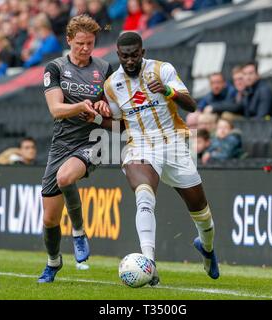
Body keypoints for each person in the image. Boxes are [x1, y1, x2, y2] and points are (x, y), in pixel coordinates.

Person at [100, 31, 219, 284]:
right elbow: (119, 125)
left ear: (142, 52)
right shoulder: (111, 85)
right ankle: (149, 264)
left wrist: (168, 91)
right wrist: (99, 118)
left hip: (174, 144)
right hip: (140, 146)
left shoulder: (162, 70)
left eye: (134, 55)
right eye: (124, 57)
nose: (129, 61)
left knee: (202, 213)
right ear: (118, 55)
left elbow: (192, 105)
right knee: (144, 195)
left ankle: (207, 249)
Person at [37, 15, 113, 283]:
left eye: (90, 43)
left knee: (66, 177)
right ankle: (53, 261)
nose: (85, 48)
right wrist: (81, 106)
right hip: (62, 144)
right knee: (49, 219)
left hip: (95, 140)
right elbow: (56, 110)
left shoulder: (105, 69)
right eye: (80, 43)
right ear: (69, 40)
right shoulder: (54, 68)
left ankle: (79, 232)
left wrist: (105, 108)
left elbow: (115, 115)